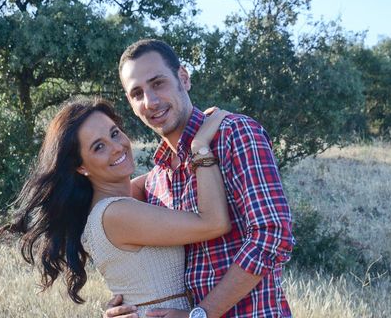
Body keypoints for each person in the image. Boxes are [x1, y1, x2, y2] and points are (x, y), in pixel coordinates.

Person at [105, 39, 295, 318]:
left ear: (183, 77)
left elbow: (272, 236)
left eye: (158, 83)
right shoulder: (157, 180)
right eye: (137, 93)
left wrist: (201, 314)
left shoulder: (234, 134)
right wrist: (127, 306)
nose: (151, 101)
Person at [6, 98, 232, 316]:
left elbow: (166, 172)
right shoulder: (115, 213)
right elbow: (214, 223)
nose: (117, 147)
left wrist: (186, 126)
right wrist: (200, 146)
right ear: (81, 167)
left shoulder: (122, 199)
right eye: (99, 147)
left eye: (114, 133)